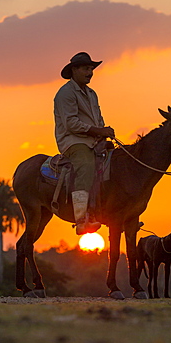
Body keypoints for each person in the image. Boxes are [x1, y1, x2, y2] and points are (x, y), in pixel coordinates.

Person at [54, 52, 115, 235]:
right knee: (86, 165)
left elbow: (98, 118)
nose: (90, 72)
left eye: (91, 69)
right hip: (74, 141)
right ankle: (81, 219)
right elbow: (70, 123)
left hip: (93, 140)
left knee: (117, 163)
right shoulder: (65, 93)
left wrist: (103, 132)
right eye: (86, 69)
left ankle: (118, 212)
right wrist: (98, 131)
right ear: (75, 70)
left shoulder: (91, 94)